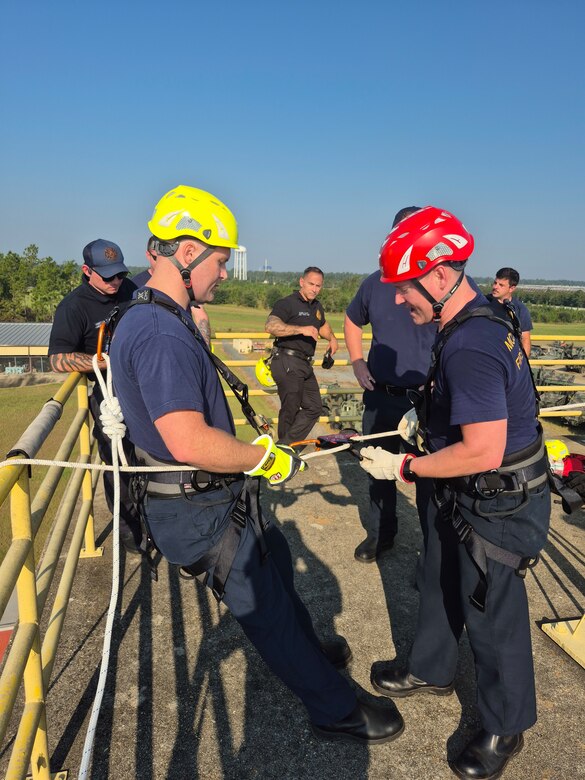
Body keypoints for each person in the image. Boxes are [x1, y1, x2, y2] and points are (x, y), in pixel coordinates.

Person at [108, 184, 403, 744]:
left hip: (209, 496)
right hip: (196, 504)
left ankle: (313, 650)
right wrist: (264, 458)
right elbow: (187, 438)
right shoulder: (157, 332)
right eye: (220, 261)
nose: (224, 273)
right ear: (188, 253)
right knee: (263, 606)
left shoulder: (159, 317)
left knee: (276, 558)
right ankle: (334, 709)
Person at [359, 207, 550, 779]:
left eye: (405, 288)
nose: (397, 301)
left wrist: (408, 468)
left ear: (441, 277)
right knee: (441, 569)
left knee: (492, 611)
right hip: (463, 489)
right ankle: (433, 667)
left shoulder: (470, 343)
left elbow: (483, 450)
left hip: (496, 496)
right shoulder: (470, 319)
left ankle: (505, 723)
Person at [344, 206, 436, 563]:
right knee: (375, 467)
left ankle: (433, 557)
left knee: (433, 479)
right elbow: (353, 321)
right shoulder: (375, 283)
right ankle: (381, 535)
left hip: (428, 400)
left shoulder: (440, 281)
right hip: (382, 397)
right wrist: (356, 362)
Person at [48, 239, 142, 554]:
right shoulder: (73, 306)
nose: (116, 282)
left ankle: (161, 518)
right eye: (108, 276)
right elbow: (58, 359)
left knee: (155, 453)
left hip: (143, 382)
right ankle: (129, 531)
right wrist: (101, 361)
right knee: (117, 461)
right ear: (86, 271)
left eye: (119, 274)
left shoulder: (129, 289)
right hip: (109, 390)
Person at [265, 268, 338, 445]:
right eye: (311, 284)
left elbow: (322, 326)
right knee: (290, 409)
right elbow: (271, 326)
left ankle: (286, 446)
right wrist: (300, 329)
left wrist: (332, 338)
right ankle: (284, 451)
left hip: (304, 364)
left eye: (318, 286)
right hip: (287, 360)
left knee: (314, 407)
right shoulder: (287, 303)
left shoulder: (316, 306)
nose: (314, 289)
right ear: (301, 282)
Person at [134, 236, 211, 346]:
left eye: (166, 256)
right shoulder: (134, 285)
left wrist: (205, 349)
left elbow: (200, 316)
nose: (162, 261)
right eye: (156, 257)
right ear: (148, 255)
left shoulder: (185, 282)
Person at [488, 267, 533, 356]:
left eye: (501, 285)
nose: (495, 287)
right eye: (495, 283)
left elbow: (525, 339)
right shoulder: (483, 302)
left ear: (511, 288)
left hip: (508, 359)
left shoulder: (520, 309)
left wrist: (523, 366)